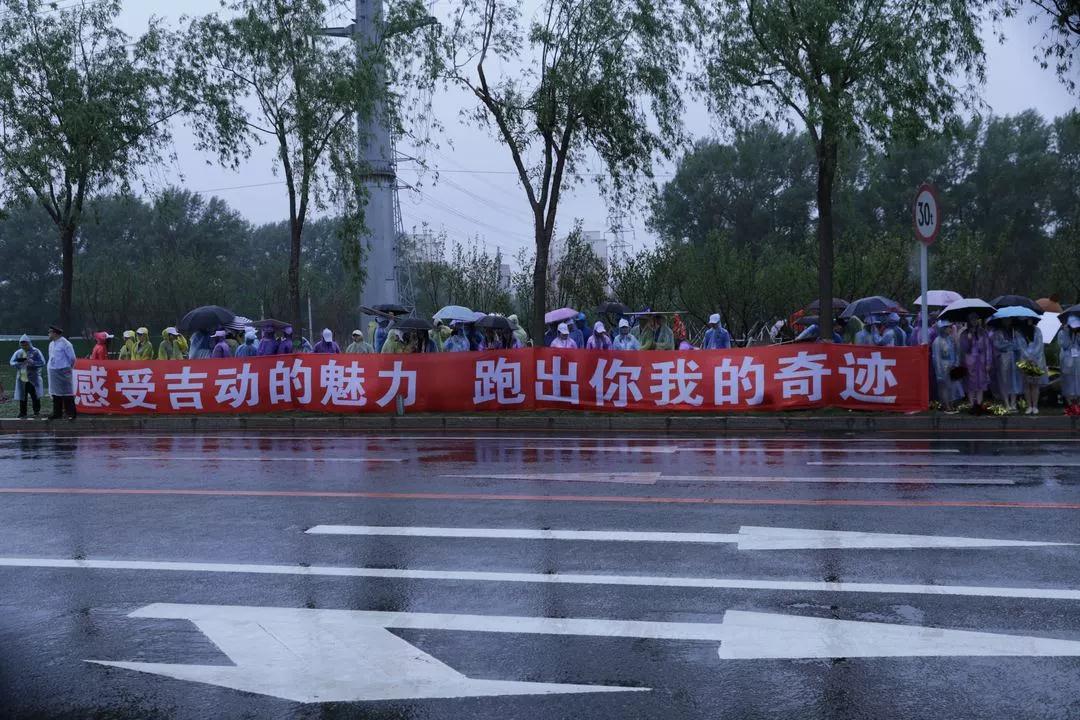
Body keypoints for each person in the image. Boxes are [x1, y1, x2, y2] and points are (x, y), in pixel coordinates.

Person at [959, 313, 992, 407]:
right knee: (970, 383)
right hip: (969, 362)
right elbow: (963, 349)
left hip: (981, 361)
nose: (974, 321)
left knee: (981, 383)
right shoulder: (964, 333)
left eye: (976, 319)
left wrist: (988, 362)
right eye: (972, 319)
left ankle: (979, 404)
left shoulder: (983, 332)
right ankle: (971, 404)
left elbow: (988, 348)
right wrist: (969, 340)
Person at [9, 335, 45, 419]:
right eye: (22, 345)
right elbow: (11, 362)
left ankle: (36, 411)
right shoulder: (18, 352)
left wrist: (33, 363)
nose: (24, 347)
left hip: (33, 379)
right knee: (22, 396)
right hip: (22, 379)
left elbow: (42, 362)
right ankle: (22, 412)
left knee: (35, 396)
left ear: (29, 343)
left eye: (25, 345)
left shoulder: (36, 352)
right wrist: (18, 363)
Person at [46, 326, 77, 421]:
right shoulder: (51, 344)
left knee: (67, 393)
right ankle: (57, 413)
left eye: (50, 332)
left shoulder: (66, 344)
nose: (48, 334)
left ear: (55, 333)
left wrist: (67, 367)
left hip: (63, 370)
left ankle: (71, 413)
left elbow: (72, 358)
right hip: (53, 370)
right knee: (56, 394)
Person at [1017, 318, 1047, 415]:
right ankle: (1029, 406)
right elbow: (1020, 347)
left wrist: (1033, 357)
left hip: (1036, 361)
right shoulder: (1019, 332)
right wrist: (1028, 357)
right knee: (1027, 384)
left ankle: (1035, 406)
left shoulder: (1037, 330)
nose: (1029, 320)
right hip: (1025, 361)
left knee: (1035, 384)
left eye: (1030, 319)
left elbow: (1040, 346)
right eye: (1027, 319)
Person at [991, 318, 1022, 412]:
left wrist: (1010, 344)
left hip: (1014, 358)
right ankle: (1006, 403)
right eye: (1005, 320)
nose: (1007, 321)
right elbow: (997, 345)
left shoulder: (1015, 332)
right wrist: (1009, 345)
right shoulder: (997, 333)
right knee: (1004, 381)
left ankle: (1013, 403)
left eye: (1009, 320)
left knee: (1014, 380)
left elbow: (1018, 345)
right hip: (1003, 359)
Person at [932, 320, 960, 414]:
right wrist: (939, 372)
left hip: (951, 366)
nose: (950, 329)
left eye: (950, 327)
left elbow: (955, 352)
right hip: (943, 366)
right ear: (943, 329)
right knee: (944, 387)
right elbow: (936, 357)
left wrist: (956, 363)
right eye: (948, 327)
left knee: (952, 387)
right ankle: (946, 406)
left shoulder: (950, 339)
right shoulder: (937, 341)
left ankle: (951, 404)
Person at [1060, 315, 1080, 407]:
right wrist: (1066, 334)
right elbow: (1064, 345)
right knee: (1068, 380)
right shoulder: (1062, 333)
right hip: (1067, 359)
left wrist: (1078, 336)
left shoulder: (1078, 333)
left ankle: (1078, 403)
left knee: (1078, 379)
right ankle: (1069, 403)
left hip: (1078, 359)